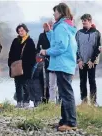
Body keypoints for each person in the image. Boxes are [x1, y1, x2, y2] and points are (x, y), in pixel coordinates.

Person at [40, 3, 77, 131]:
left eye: (55, 12)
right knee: (64, 93)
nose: (53, 14)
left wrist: (46, 52)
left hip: (63, 64)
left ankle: (71, 123)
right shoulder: (65, 26)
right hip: (65, 64)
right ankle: (64, 121)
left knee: (66, 94)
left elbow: (61, 47)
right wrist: (49, 32)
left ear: (61, 12)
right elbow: (56, 42)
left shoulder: (61, 26)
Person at [8, 23, 36, 108]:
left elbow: (32, 56)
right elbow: (11, 53)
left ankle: (26, 102)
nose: (21, 32)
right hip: (16, 67)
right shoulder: (15, 41)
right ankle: (19, 102)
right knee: (17, 84)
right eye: (19, 31)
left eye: (22, 30)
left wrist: (30, 66)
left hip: (26, 67)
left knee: (26, 85)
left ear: (26, 31)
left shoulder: (30, 41)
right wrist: (10, 63)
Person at [76, 14, 101, 106]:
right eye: (82, 21)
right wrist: (79, 60)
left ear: (90, 21)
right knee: (82, 81)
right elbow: (75, 47)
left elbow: (98, 48)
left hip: (92, 62)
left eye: (85, 20)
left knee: (92, 81)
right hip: (82, 62)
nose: (83, 22)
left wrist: (92, 60)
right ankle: (84, 101)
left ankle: (94, 101)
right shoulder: (78, 33)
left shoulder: (97, 33)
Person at [37, 20, 59, 104]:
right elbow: (38, 48)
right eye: (47, 25)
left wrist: (50, 31)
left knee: (58, 82)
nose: (49, 26)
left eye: (51, 25)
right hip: (46, 62)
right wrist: (42, 52)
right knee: (48, 82)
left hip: (57, 61)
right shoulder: (42, 35)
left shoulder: (56, 34)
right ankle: (47, 99)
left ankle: (58, 100)